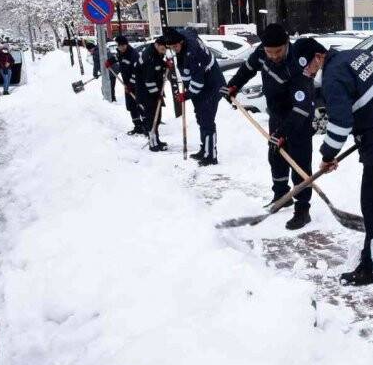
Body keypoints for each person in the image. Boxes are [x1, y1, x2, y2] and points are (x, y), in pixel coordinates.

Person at [303, 38, 373, 286]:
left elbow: (340, 123)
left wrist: (328, 154)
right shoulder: (353, 57)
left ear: (319, 57)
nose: (307, 72)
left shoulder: (333, 76)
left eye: (307, 66)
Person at [226, 23, 314, 223]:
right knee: (275, 156)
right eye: (269, 51)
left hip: (298, 118)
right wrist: (233, 85)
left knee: (299, 162)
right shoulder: (262, 52)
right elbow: (248, 68)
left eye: (278, 51)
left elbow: (301, 108)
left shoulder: (298, 65)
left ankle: (302, 208)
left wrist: (283, 133)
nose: (273, 56)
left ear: (286, 44)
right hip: (276, 114)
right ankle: (281, 196)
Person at [164, 27, 225, 166]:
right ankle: (204, 149)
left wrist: (185, 95)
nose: (174, 49)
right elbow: (191, 29)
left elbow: (198, 83)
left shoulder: (192, 54)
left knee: (207, 121)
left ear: (181, 41)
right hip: (202, 86)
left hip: (211, 85)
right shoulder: (185, 35)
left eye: (175, 47)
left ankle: (211, 156)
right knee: (200, 118)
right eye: (171, 48)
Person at [134, 36, 170, 152]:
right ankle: (153, 143)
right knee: (152, 118)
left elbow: (158, 66)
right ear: (157, 45)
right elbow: (149, 81)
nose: (165, 51)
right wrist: (157, 94)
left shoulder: (154, 53)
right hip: (146, 94)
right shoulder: (149, 57)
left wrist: (165, 65)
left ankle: (157, 140)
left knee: (157, 117)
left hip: (152, 92)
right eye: (163, 49)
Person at [112, 35, 143, 134]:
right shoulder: (121, 53)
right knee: (131, 106)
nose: (121, 48)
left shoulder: (133, 54)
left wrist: (131, 85)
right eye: (119, 46)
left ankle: (146, 126)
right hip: (127, 84)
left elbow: (137, 72)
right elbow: (117, 57)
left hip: (136, 84)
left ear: (126, 44)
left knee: (139, 105)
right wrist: (110, 61)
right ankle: (137, 126)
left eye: (123, 45)